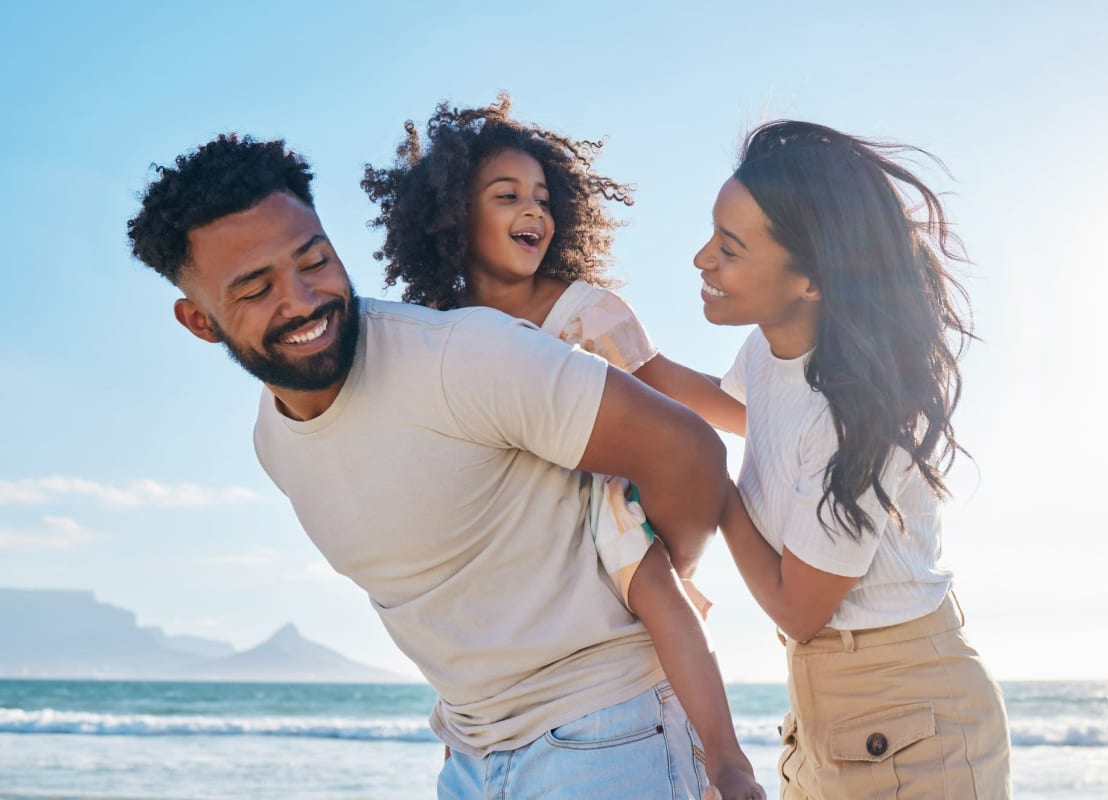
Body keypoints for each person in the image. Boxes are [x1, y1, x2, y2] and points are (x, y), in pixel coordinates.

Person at [127, 133, 731, 799]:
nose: (301, 300)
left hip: (604, 736)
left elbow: (690, 452)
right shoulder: (273, 441)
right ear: (199, 321)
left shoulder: (463, 358)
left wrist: (646, 576)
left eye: (315, 260)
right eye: (255, 288)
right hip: (470, 755)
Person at [361, 94, 761, 800]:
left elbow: (666, 384)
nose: (533, 212)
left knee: (659, 594)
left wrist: (769, 421)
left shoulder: (582, 310)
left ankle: (728, 763)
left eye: (543, 198)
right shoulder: (441, 333)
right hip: (510, 523)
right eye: (507, 195)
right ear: (455, 215)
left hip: (595, 497)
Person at [696, 120, 1012, 798]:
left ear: (810, 279)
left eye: (728, 248)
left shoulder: (857, 416)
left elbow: (798, 609)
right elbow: (745, 416)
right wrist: (614, 351)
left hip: (911, 725)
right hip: (825, 712)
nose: (702, 260)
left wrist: (713, 491)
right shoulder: (771, 351)